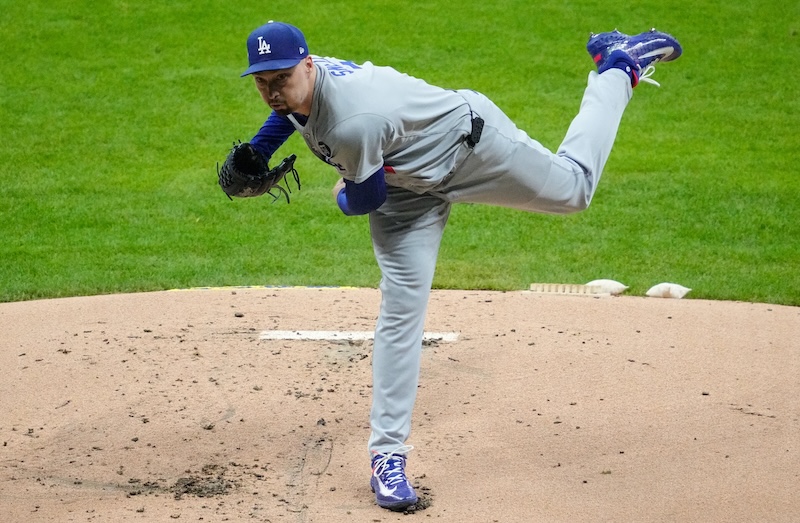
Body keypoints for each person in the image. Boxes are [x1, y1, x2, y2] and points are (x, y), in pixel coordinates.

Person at [236, 21, 681, 511]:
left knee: (574, 191)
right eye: (262, 81)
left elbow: (365, 196)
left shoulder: (350, 121)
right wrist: (259, 149)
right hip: (407, 187)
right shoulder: (302, 85)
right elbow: (291, 114)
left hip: (470, 150)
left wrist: (340, 194)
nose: (273, 91)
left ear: (307, 64)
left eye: (281, 78)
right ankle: (388, 458)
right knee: (402, 310)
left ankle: (618, 68)